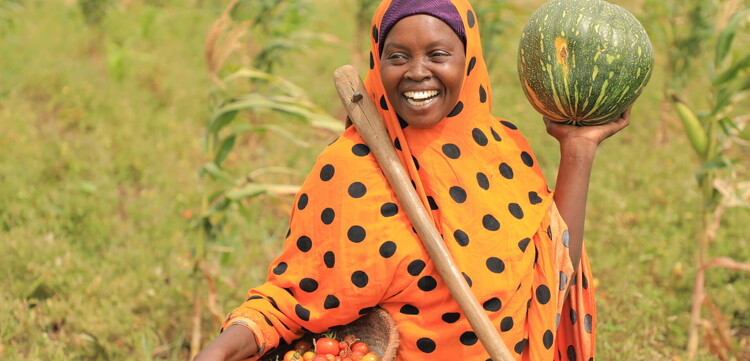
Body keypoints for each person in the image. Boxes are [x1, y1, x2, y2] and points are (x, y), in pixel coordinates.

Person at [195, 0, 630, 360]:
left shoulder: (504, 150)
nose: (417, 72)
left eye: (438, 54)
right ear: (377, 63)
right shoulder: (350, 170)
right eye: (397, 56)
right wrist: (215, 353)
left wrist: (578, 149)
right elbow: (290, 302)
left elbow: (555, 269)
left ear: (469, 60)